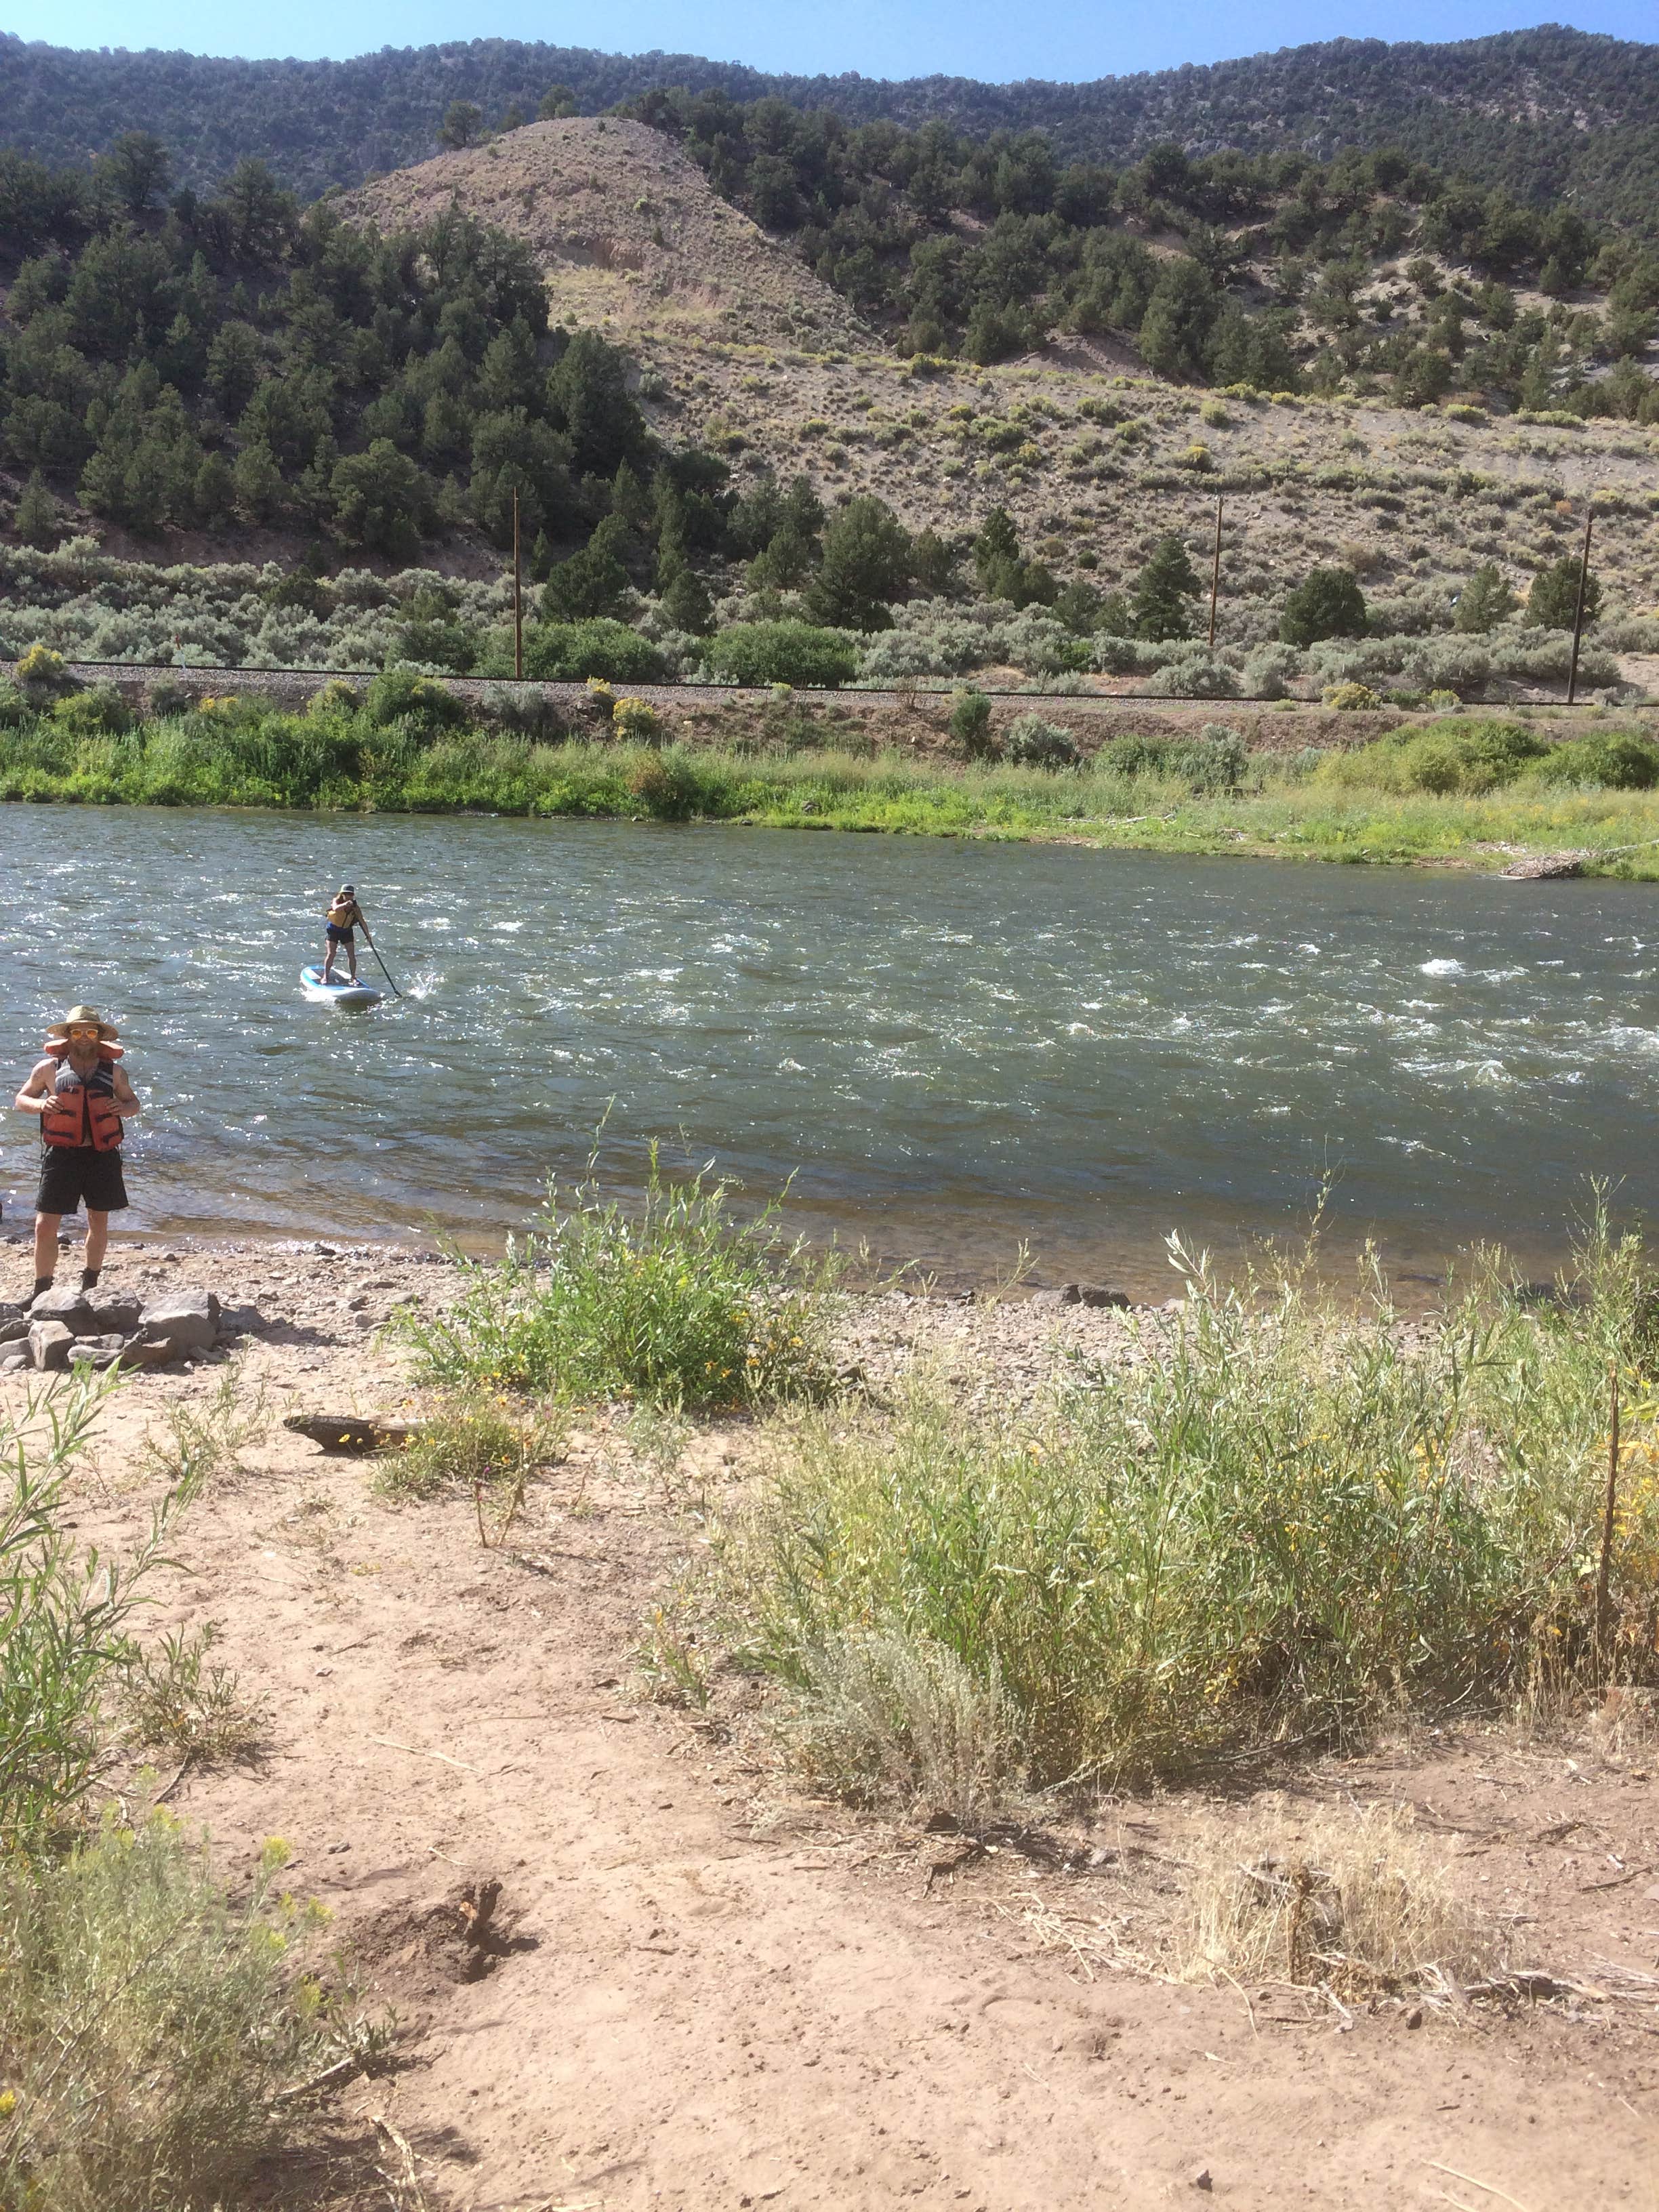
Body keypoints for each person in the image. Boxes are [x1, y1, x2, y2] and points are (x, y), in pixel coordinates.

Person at [14, 1006, 142, 1307]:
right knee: (44, 1225)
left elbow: (133, 1102)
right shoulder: (48, 1069)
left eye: (91, 1032)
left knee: (98, 1221)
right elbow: (21, 1099)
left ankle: (90, 1284)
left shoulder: (115, 1072)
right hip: (62, 1155)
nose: (84, 1037)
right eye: (78, 1031)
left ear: (99, 1037)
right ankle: (41, 1290)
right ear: (69, 1036)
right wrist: (42, 1107)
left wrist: (121, 1109)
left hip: (102, 1155)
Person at [322, 882, 373, 985]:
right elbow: (335, 909)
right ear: (342, 894)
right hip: (333, 930)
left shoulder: (355, 908)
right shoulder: (336, 900)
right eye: (346, 894)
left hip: (346, 931)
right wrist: (345, 904)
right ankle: (325, 977)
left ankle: (353, 978)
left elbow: (362, 921)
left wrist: (368, 936)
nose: (349, 897)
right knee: (332, 954)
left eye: (351, 895)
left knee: (351, 955)